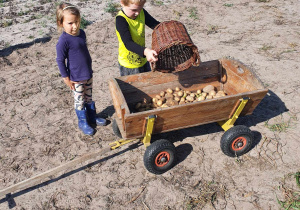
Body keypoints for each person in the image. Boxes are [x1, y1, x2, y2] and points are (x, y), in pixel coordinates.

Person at [56, 3, 106, 136]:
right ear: (61, 23)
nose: (75, 26)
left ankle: (92, 117)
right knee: (80, 101)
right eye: (70, 23)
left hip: (87, 73)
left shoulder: (81, 33)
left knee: (88, 97)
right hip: (76, 78)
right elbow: (60, 60)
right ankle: (82, 122)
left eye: (77, 22)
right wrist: (66, 78)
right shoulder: (63, 41)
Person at [116, 0, 160, 76]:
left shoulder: (142, 12)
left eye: (140, 9)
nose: (137, 13)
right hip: (129, 65)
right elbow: (128, 43)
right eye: (134, 10)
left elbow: (155, 25)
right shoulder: (121, 20)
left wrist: (166, 28)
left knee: (147, 83)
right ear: (122, 3)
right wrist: (146, 51)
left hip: (143, 59)